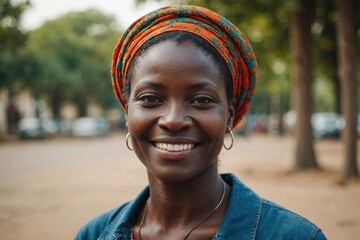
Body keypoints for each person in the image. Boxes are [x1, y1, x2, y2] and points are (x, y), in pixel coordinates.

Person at [75, 5, 326, 240]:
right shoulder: (93, 234)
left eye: (201, 100)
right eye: (151, 98)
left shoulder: (294, 235)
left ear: (229, 116)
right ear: (127, 110)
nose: (173, 121)